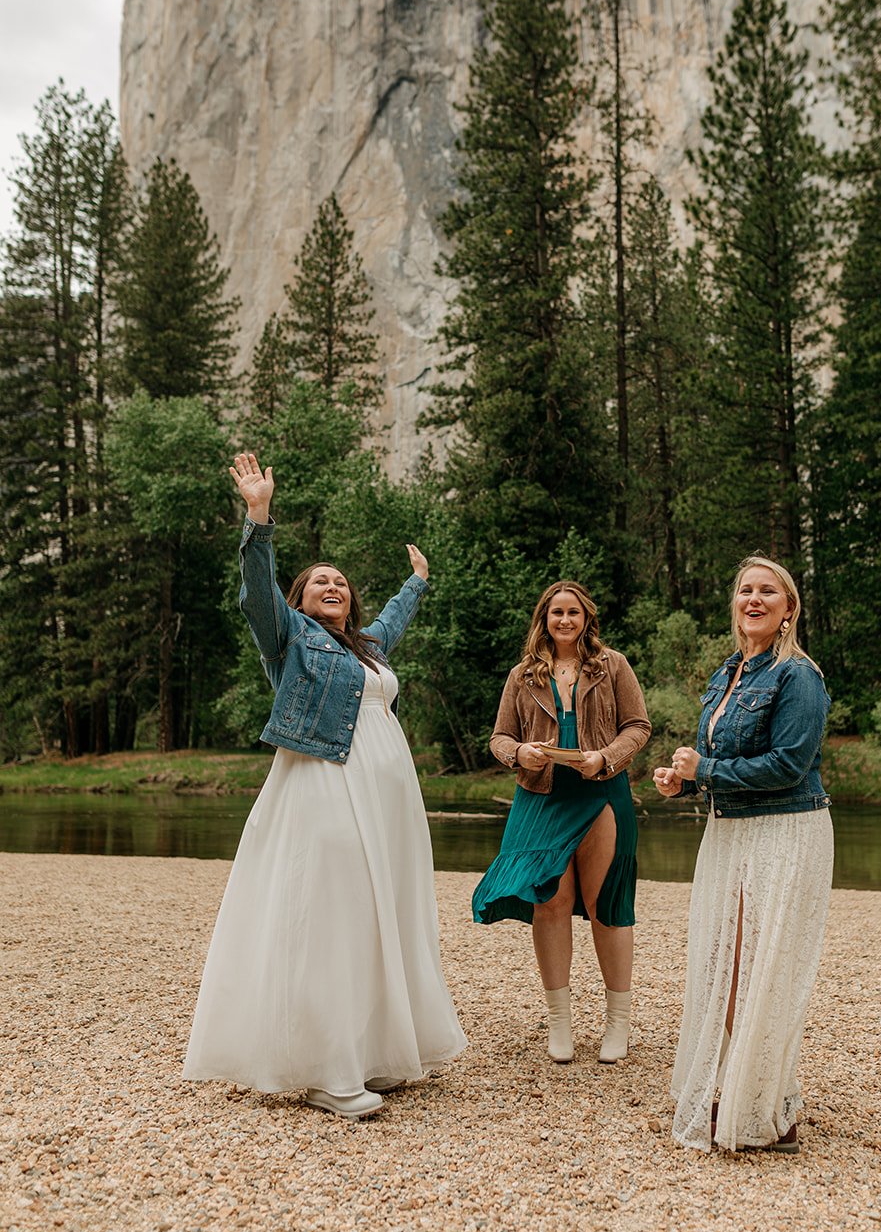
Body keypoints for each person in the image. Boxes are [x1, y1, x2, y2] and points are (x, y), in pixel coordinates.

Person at [183, 452, 467, 1119]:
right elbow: (255, 592)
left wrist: (417, 582)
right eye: (319, 583)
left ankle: (369, 1053)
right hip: (323, 787)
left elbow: (391, 624)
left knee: (373, 918)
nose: (332, 585)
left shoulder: (363, 647)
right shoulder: (289, 639)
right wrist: (259, 517)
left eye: (339, 581)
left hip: (386, 802)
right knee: (328, 917)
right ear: (301, 601)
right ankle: (324, 1071)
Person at [654, 556, 833, 1154]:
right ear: (734, 603)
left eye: (767, 592)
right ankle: (753, 1100)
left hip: (785, 832)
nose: (753, 600)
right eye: (745, 591)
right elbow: (722, 758)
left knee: (760, 969)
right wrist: (687, 780)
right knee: (725, 967)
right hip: (729, 832)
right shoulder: (728, 671)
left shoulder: (798, 676)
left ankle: (763, 1105)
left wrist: (708, 769)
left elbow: (790, 765)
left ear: (789, 608)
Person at [473, 582, 651, 1065]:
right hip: (541, 796)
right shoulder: (522, 674)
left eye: (573, 612)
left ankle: (618, 1023)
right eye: (557, 613)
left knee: (605, 904)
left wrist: (607, 758)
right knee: (550, 903)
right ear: (544, 619)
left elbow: (638, 725)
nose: (565, 620)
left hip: (601, 791)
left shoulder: (613, 665)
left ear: (586, 618)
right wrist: (519, 753)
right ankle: (560, 1023)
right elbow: (499, 736)